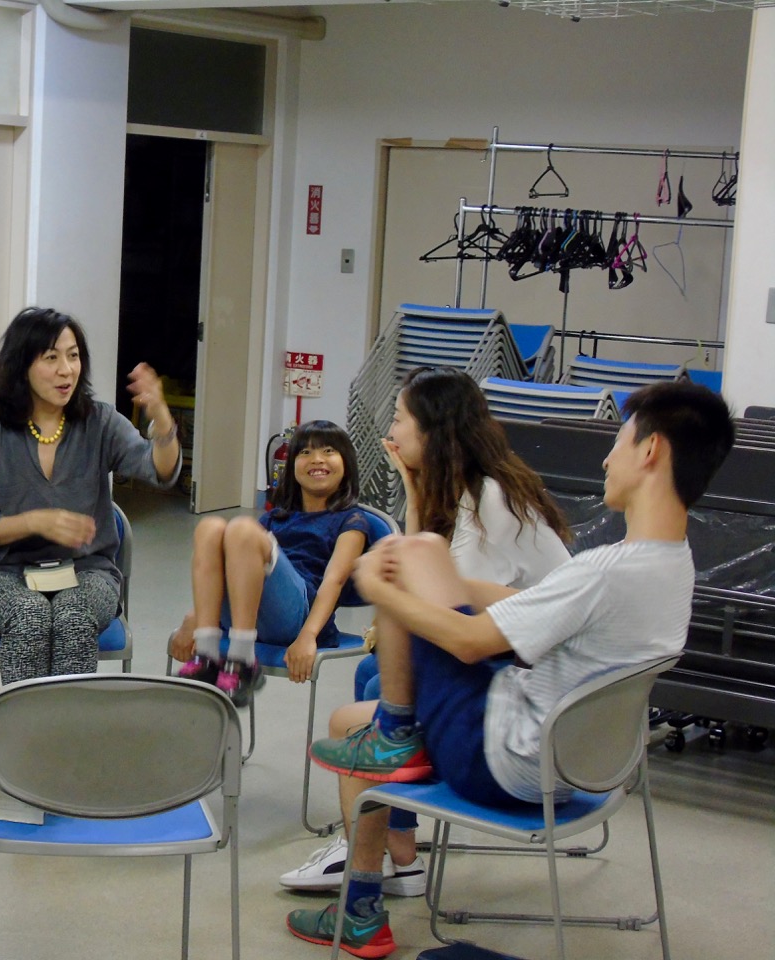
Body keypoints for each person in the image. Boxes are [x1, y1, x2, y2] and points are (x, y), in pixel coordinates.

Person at [285, 381, 735, 958]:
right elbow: (528, 603)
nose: (607, 459)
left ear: (650, 451)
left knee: (396, 576)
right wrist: (441, 580)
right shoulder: (669, 566)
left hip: (506, 761)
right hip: (579, 765)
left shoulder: (605, 569)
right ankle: (382, 797)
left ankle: (364, 895)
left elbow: (469, 643)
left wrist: (381, 589)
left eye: (619, 442)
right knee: (416, 569)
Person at [279, 366, 572, 897]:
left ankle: (377, 850)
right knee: (374, 674)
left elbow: (447, 614)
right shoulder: (473, 490)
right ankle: (396, 851)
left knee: (371, 693)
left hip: (527, 685)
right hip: (517, 660)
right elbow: (429, 584)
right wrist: (413, 502)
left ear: (433, 431)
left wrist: (390, 598)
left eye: (399, 418)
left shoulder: (488, 502)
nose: (391, 431)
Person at [0, 306, 180, 684]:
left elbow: (158, 470)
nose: (67, 370)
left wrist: (161, 417)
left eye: (73, 356)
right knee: (29, 615)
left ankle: (66, 721)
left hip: (86, 570)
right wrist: (34, 522)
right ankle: (25, 722)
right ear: (21, 365)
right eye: (51, 358)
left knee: (74, 616)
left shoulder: (99, 421)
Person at [170, 420, 378, 707]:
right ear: (292, 466)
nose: (317, 459)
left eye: (328, 451)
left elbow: (335, 580)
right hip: (250, 615)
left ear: (347, 463)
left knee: (242, 530)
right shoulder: (276, 517)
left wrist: (308, 636)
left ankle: (242, 661)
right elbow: (232, 571)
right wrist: (193, 619)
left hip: (300, 616)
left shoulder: (351, 520)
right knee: (210, 528)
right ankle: (207, 656)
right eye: (305, 452)